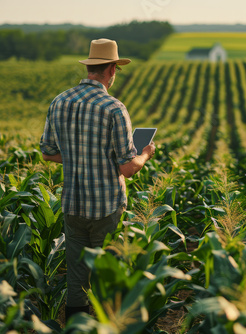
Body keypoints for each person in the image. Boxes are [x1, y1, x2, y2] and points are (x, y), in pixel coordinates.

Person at [39, 38, 156, 321]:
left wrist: (80, 157)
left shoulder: (59, 101)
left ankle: (77, 324)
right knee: (105, 271)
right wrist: (146, 154)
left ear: (91, 67)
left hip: (72, 205)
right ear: (113, 69)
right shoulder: (114, 108)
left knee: (77, 273)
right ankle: (107, 323)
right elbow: (127, 168)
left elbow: (48, 152)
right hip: (106, 206)